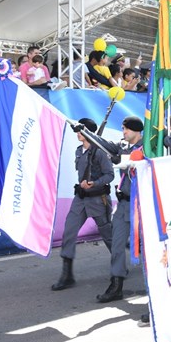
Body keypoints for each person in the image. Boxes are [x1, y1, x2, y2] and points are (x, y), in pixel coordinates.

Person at [52, 118, 114, 291]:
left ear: (88, 133)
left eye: (81, 130)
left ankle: (119, 267)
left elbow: (109, 175)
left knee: (108, 235)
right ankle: (67, 274)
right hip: (80, 199)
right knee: (69, 232)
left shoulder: (100, 152)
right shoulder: (79, 151)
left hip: (97, 199)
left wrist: (95, 183)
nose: (78, 133)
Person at [97, 116, 144, 303]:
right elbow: (103, 143)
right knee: (116, 247)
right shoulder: (122, 146)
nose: (123, 132)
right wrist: (84, 130)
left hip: (141, 204)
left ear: (136, 130)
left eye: (126, 129)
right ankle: (116, 285)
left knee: (149, 249)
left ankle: (156, 286)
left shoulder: (149, 148)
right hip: (123, 204)